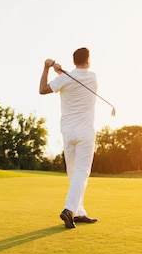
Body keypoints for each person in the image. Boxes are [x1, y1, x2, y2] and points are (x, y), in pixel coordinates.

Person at [39, 47, 99, 228]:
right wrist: (58, 69)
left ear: (73, 62)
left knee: (74, 174)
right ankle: (69, 209)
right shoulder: (93, 77)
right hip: (85, 133)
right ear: (88, 60)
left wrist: (46, 68)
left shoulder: (64, 79)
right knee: (81, 173)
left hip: (68, 132)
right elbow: (74, 76)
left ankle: (79, 212)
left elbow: (43, 89)